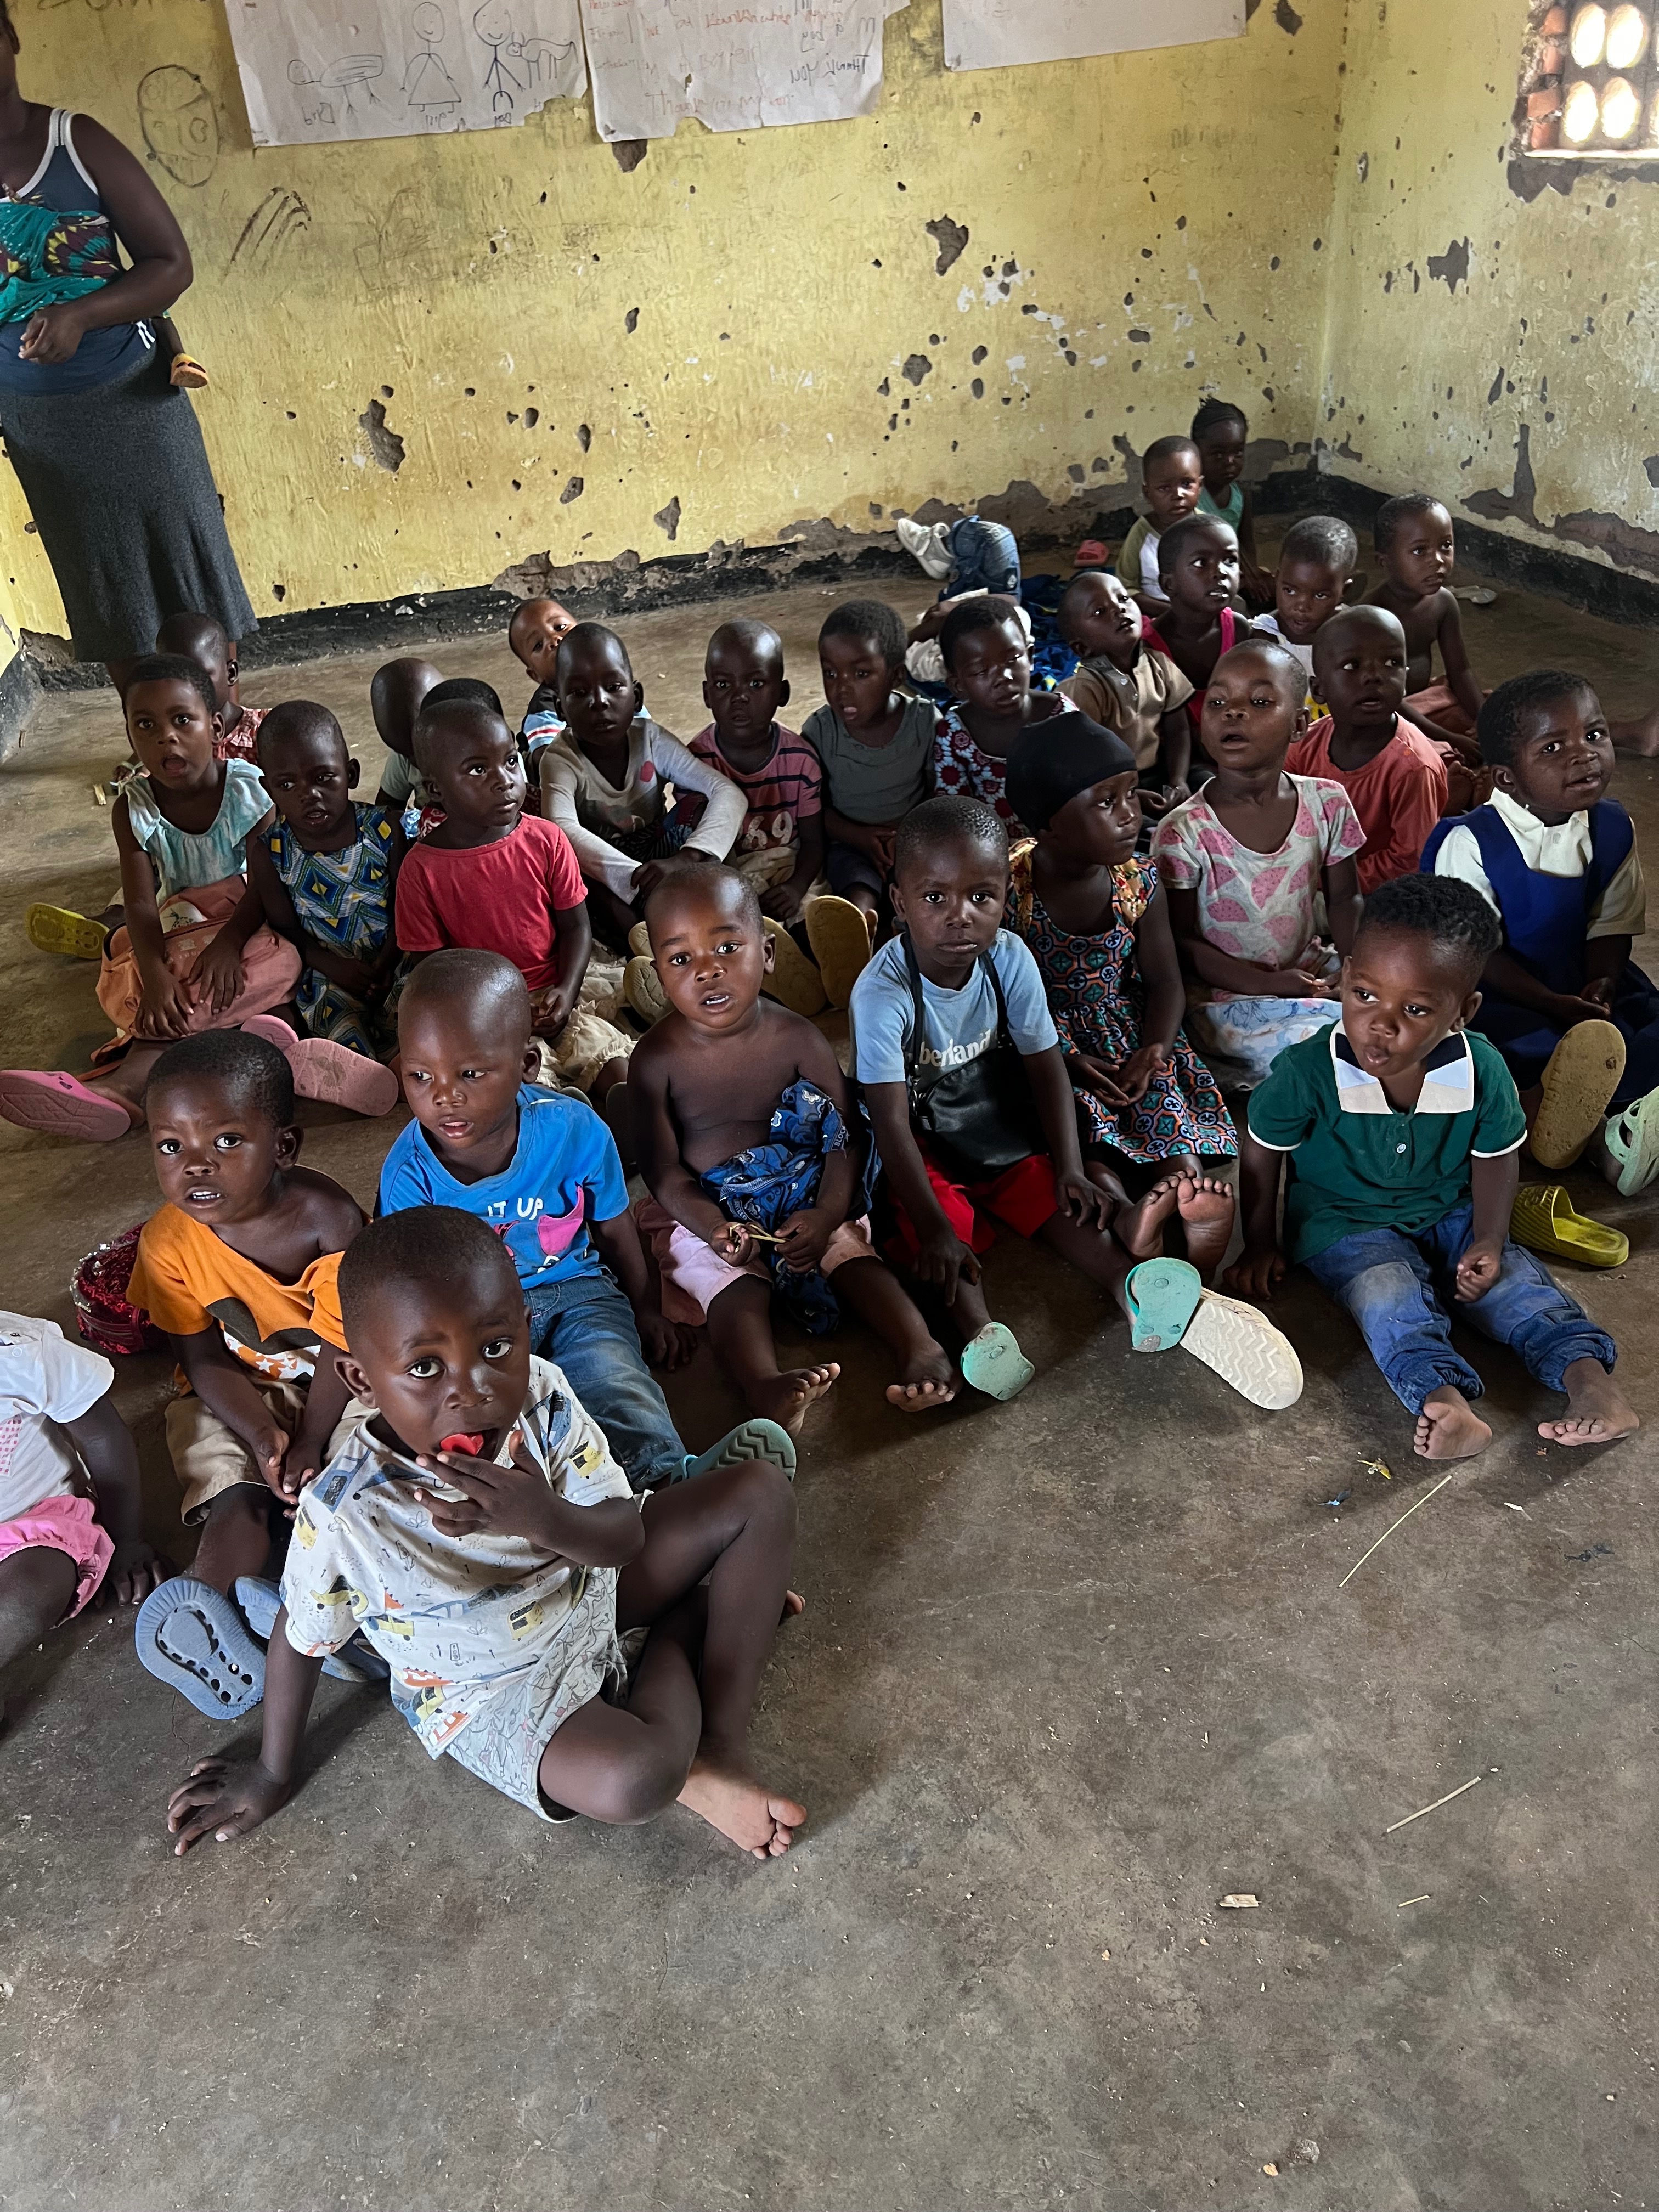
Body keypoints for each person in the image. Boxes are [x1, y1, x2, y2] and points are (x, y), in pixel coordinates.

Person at [165, 1207, 809, 1859]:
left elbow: (623, 1539)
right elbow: (300, 1635)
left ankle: (720, 1743)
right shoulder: (345, 1509)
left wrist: (542, 1518)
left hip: (591, 1583)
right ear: (362, 1380)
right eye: (425, 1368)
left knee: (758, 1492)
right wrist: (271, 1773)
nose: (471, 1391)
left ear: (526, 1330)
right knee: (636, 1781)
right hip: (499, 1687)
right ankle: (683, 1628)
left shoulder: (542, 1397)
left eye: (496, 1348)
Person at [853, 797, 1300, 1407]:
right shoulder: (884, 994)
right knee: (942, 1225)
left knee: (1051, 1192)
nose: (961, 917)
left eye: (982, 897)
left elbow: (1045, 1069)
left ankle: (1132, 1288)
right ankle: (981, 1333)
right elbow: (890, 1125)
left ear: (1005, 898)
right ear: (900, 902)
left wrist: (1068, 1167)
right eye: (935, 898)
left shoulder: (1009, 957)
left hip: (987, 1113)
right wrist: (933, 1228)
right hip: (919, 1132)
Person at [1226, 875, 1638, 1457]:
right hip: (1344, 1222)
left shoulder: (1481, 1070)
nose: (1381, 1023)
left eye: (1415, 1008)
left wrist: (1490, 1238)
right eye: (1364, 994)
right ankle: (1444, 1401)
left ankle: (1590, 1383)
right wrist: (1260, 1242)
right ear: (1344, 976)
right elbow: (1263, 1150)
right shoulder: (1308, 1070)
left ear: (1462, 1012)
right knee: (1387, 1295)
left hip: (1451, 1210)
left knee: (1512, 1283)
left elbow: (1496, 1159)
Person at [382, 951, 780, 1493]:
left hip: (578, 1293)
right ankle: (572, 1510)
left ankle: (668, 1486)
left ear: (526, 1065)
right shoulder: (408, 1175)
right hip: (472, 1325)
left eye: (470, 1073)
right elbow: (415, 1290)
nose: (444, 1095)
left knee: (613, 1379)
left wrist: (646, 1308)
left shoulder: (574, 1130)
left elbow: (616, 1229)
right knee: (492, 1432)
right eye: (419, 1075)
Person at [631, 868, 960, 1425]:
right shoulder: (654, 1061)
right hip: (709, 1207)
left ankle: (919, 1344)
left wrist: (827, 1210)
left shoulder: (799, 1038)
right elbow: (662, 1171)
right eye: (681, 959)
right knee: (729, 1288)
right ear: (661, 977)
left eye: (727, 947)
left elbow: (843, 1137)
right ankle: (763, 1385)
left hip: (805, 1192)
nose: (708, 971)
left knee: (849, 1251)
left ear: (768, 953)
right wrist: (713, 1227)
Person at [0, 21, 253, 685]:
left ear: (11, 37)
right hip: (35, 423)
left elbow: (171, 263)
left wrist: (81, 314)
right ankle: (151, 733)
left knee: (192, 587)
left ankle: (222, 727)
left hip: (134, 397)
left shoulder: (74, 142)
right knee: (108, 598)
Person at [126, 1031, 371, 1716]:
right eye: (170, 1146)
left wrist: (311, 1440)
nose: (195, 1166)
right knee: (232, 1479)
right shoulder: (167, 1242)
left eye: (226, 1141)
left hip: (345, 1378)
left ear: (284, 1147)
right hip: (239, 1388)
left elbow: (343, 1346)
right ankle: (212, 1613)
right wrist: (265, 1437)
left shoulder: (330, 1220)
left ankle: (345, 1619)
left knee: (364, 1471)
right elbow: (201, 1357)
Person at [0, 654, 302, 1140]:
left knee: (280, 962)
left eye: (182, 720)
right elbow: (141, 906)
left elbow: (265, 887)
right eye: (146, 725)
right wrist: (157, 977)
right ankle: (175, 1074)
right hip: (180, 925)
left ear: (216, 728)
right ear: (129, 735)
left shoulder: (250, 793)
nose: (166, 737)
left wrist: (228, 944)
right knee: (152, 983)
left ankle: (272, 1052)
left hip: (244, 921)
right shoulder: (133, 809)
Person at [1003, 718, 1238, 1262]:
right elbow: (997, 995)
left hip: (1125, 1029)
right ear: (1049, 824)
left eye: (1131, 793)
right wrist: (1065, 1057)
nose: (1131, 813)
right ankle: (1128, 1212)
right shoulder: (1013, 889)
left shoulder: (1137, 882)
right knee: (1083, 1120)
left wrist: (1154, 1049)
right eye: (1106, 803)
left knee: (1160, 1098)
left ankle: (1188, 1194)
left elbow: (1165, 982)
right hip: (1043, 1038)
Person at [1424, 669, 1659, 1184]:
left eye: (1594, 735)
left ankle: (1619, 1115)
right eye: (1554, 747)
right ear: (1506, 778)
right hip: (1500, 991)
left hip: (1582, 979)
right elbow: (1476, 954)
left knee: (1638, 1025)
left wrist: (1603, 982)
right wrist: (1553, 1003)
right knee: (1510, 1055)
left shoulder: (1612, 826)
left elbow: (1611, 922)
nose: (1585, 755)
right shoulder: (1471, 843)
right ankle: (1603, 1138)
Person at [395, 692, 631, 1105]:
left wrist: (567, 991)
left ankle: (614, 1119)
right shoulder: (421, 871)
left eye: (510, 761)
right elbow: (435, 971)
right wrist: (496, 1015)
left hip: (560, 993)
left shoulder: (546, 839)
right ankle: (565, 1112)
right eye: (478, 769)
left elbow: (576, 927)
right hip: (484, 1017)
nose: (504, 779)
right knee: (525, 1098)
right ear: (435, 789)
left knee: (620, 1074)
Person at [1152, 639, 1365, 1090]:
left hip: (1309, 970)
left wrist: (1354, 972)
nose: (1233, 712)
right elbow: (1181, 942)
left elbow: (1345, 899)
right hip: (1226, 997)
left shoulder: (1327, 803)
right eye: (1218, 702)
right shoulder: (1183, 832)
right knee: (1330, 1047)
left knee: (1406, 1006)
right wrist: (1269, 984)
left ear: (1299, 724)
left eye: (1261, 702)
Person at [537, 622, 746, 952]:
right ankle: (650, 949)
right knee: (571, 870)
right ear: (561, 708)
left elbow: (726, 792)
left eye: (613, 687)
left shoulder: (650, 739)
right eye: (579, 693)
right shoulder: (560, 759)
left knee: (700, 806)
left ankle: (739, 910)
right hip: (608, 868)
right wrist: (636, 876)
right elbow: (561, 828)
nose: (599, 702)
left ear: (636, 698)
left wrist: (687, 857)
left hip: (660, 852)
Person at [0, 1308, 165, 1729]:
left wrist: (126, 1540)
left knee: (25, 1599)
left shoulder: (19, 1354)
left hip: (33, 1530)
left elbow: (102, 1434)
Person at [241, 701, 406, 1099]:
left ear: (351, 774)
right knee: (336, 1016)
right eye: (287, 785)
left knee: (422, 1000)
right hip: (328, 970)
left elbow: (408, 908)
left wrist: (386, 964)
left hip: (396, 958)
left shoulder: (385, 828)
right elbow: (286, 928)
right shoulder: (270, 851)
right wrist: (335, 967)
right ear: (268, 789)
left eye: (323, 778)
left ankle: (409, 1064)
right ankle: (363, 1079)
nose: (308, 795)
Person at [800, 598, 938, 1006]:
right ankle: (853, 948)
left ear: (895, 676)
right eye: (830, 673)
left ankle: (905, 957)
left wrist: (906, 837)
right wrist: (860, 837)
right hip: (851, 843)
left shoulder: (925, 724)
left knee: (924, 892)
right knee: (857, 891)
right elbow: (813, 810)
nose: (842, 688)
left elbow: (939, 794)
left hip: (913, 843)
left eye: (861, 674)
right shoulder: (821, 732)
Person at [1288, 605, 1447, 891]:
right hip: (1311, 869)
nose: (1374, 676)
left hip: (1374, 890)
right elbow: (1276, 805)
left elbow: (1409, 862)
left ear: (1406, 679)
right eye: (1353, 666)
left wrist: (1324, 881)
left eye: (1391, 663)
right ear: (1319, 690)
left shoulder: (1413, 768)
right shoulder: (1306, 743)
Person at [688, 619, 825, 926]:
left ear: (782, 693)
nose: (740, 697)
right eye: (723, 685)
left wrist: (796, 887)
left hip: (789, 868)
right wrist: (737, 890)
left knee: (813, 917)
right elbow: (701, 842)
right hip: (727, 870)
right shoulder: (696, 761)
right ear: (707, 694)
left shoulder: (801, 761)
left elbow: (814, 843)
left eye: (756, 684)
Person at [1363, 494, 1488, 803]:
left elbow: (1460, 671)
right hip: (1385, 713)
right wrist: (1449, 737)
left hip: (1426, 703)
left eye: (1446, 546)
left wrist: (1486, 722)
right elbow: (1383, 698)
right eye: (1420, 551)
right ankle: (1452, 784)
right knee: (1398, 751)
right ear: (1386, 562)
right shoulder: (1371, 617)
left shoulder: (1443, 603)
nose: (1438, 560)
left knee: (1505, 711)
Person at [930, 595, 1074, 834]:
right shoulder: (954, 734)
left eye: (1013, 659)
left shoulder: (1062, 717)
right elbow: (953, 812)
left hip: (1063, 843)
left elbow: (1086, 790)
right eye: (981, 671)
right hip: (990, 849)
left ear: (1031, 656)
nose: (1004, 678)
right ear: (957, 686)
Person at [1056, 570, 1194, 816]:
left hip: (1159, 771)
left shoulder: (1159, 665)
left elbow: (1179, 730)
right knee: (1129, 824)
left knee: (1210, 781)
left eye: (1123, 599)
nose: (1119, 610)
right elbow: (1083, 765)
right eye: (1100, 611)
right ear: (1081, 647)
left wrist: (1178, 781)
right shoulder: (1085, 689)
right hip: (1111, 786)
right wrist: (1129, 795)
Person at [1143, 515, 1260, 751]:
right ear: (1168, 585)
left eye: (1230, 560)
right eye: (1200, 563)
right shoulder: (1147, 648)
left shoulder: (1240, 631)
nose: (1220, 572)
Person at [1252, 514, 1360, 711]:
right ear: (1277, 579)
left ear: (1344, 590)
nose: (1302, 607)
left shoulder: (1352, 635)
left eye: (1320, 595)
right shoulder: (1263, 638)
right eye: (1290, 591)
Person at [1191, 398, 1274, 609]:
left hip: (1234, 569)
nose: (1229, 461)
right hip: (1206, 574)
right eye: (1218, 454)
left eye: (1237, 452)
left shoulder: (1241, 495)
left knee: (1278, 587)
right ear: (1197, 451)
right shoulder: (1192, 499)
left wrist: (1252, 573)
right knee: (1237, 604)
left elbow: (1246, 543)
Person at [155, 611, 265, 763]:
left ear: (230, 674)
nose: (187, 690)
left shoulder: (266, 732)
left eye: (200, 675)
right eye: (174, 678)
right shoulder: (167, 739)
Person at [1115, 435, 1205, 615]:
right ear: (1147, 493)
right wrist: (1173, 612)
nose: (1178, 494)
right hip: (1157, 616)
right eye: (1164, 488)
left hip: (1204, 612)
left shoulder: (1209, 530)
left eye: (1187, 484)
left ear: (1200, 486)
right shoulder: (1142, 534)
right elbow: (1125, 590)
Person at [368, 654, 442, 823]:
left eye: (425, 750)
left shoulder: (481, 753)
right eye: (406, 754)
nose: (416, 761)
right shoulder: (402, 754)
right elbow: (388, 805)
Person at [508, 595, 578, 771]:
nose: (554, 639)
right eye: (538, 645)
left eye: (560, 627)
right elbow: (549, 760)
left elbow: (641, 727)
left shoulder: (614, 678)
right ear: (535, 675)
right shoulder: (545, 705)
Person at [894, 512, 1020, 597]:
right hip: (1005, 607)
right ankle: (946, 554)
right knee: (995, 537)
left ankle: (940, 551)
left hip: (986, 611)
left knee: (993, 535)